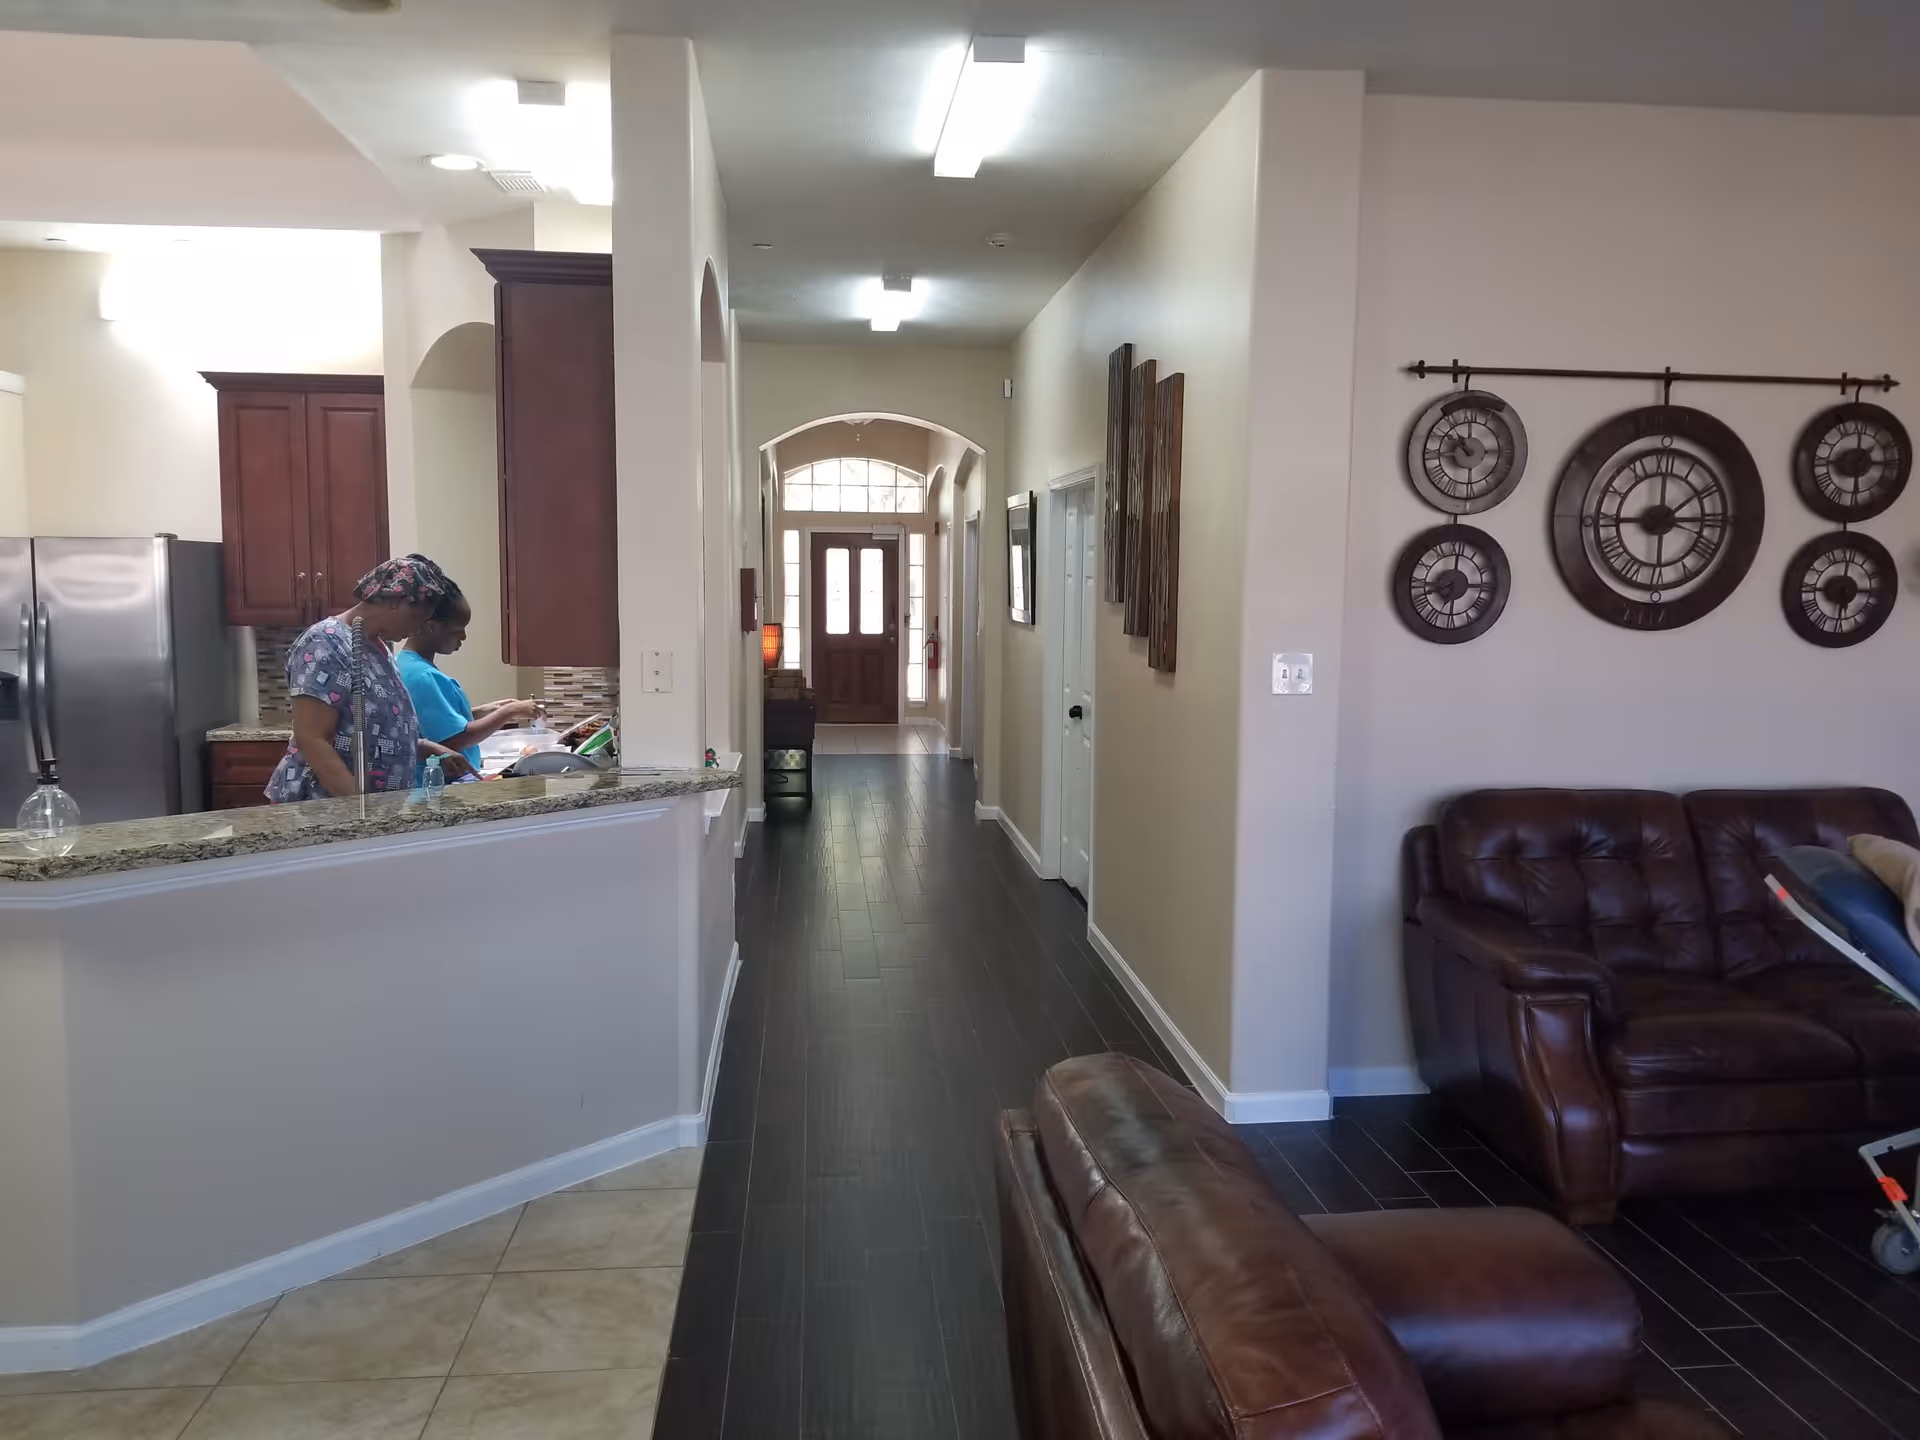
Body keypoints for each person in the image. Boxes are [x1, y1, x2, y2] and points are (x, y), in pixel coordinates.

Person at [263, 555, 472, 802]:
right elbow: (313, 739)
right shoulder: (325, 642)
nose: (417, 630)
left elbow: (376, 731)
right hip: (326, 810)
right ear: (398, 602)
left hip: (377, 807)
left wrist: (428, 749)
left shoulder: (378, 647)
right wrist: (361, 810)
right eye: (418, 619)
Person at [396, 585, 544, 777]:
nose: (463, 637)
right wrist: (508, 712)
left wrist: (482, 712)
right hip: (438, 787)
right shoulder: (422, 675)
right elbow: (454, 739)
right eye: (458, 630)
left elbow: (432, 723)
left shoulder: (408, 664)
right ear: (431, 627)